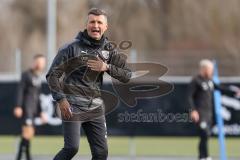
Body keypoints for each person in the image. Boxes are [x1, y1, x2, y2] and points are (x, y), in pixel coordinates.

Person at [46, 8, 131, 160]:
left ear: (106, 27)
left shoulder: (109, 50)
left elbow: (127, 75)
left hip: (96, 107)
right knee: (72, 148)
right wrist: (61, 99)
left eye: (100, 22)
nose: (96, 26)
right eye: (92, 22)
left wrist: (107, 67)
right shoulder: (70, 48)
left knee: (101, 153)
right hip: (72, 106)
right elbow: (52, 75)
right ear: (86, 25)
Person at [188, 59, 240, 160]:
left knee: (206, 135)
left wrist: (234, 92)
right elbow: (188, 97)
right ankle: (204, 156)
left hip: (209, 114)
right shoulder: (195, 81)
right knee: (204, 133)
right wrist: (193, 110)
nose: (211, 71)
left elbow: (220, 88)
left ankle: (202, 156)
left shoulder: (210, 81)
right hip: (200, 113)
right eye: (210, 69)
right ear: (204, 69)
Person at [14, 54, 47, 160]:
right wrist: (18, 106)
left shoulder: (37, 77)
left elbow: (37, 97)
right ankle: (21, 157)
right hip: (26, 109)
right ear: (35, 62)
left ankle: (27, 156)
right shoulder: (26, 75)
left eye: (43, 63)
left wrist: (41, 112)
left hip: (33, 111)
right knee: (27, 133)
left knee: (29, 134)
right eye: (39, 62)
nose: (41, 64)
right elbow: (20, 91)